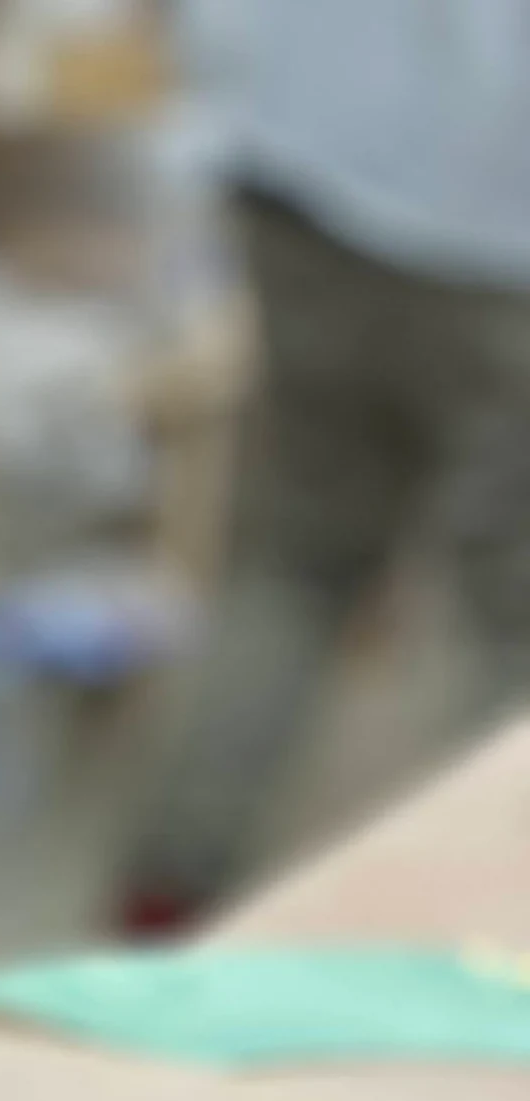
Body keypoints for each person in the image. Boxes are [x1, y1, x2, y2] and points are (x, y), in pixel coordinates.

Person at [124, 0, 530, 930]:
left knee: (289, 573)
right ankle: (474, 952)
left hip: (311, 172)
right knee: (506, 632)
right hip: (493, 233)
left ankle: (166, 902)